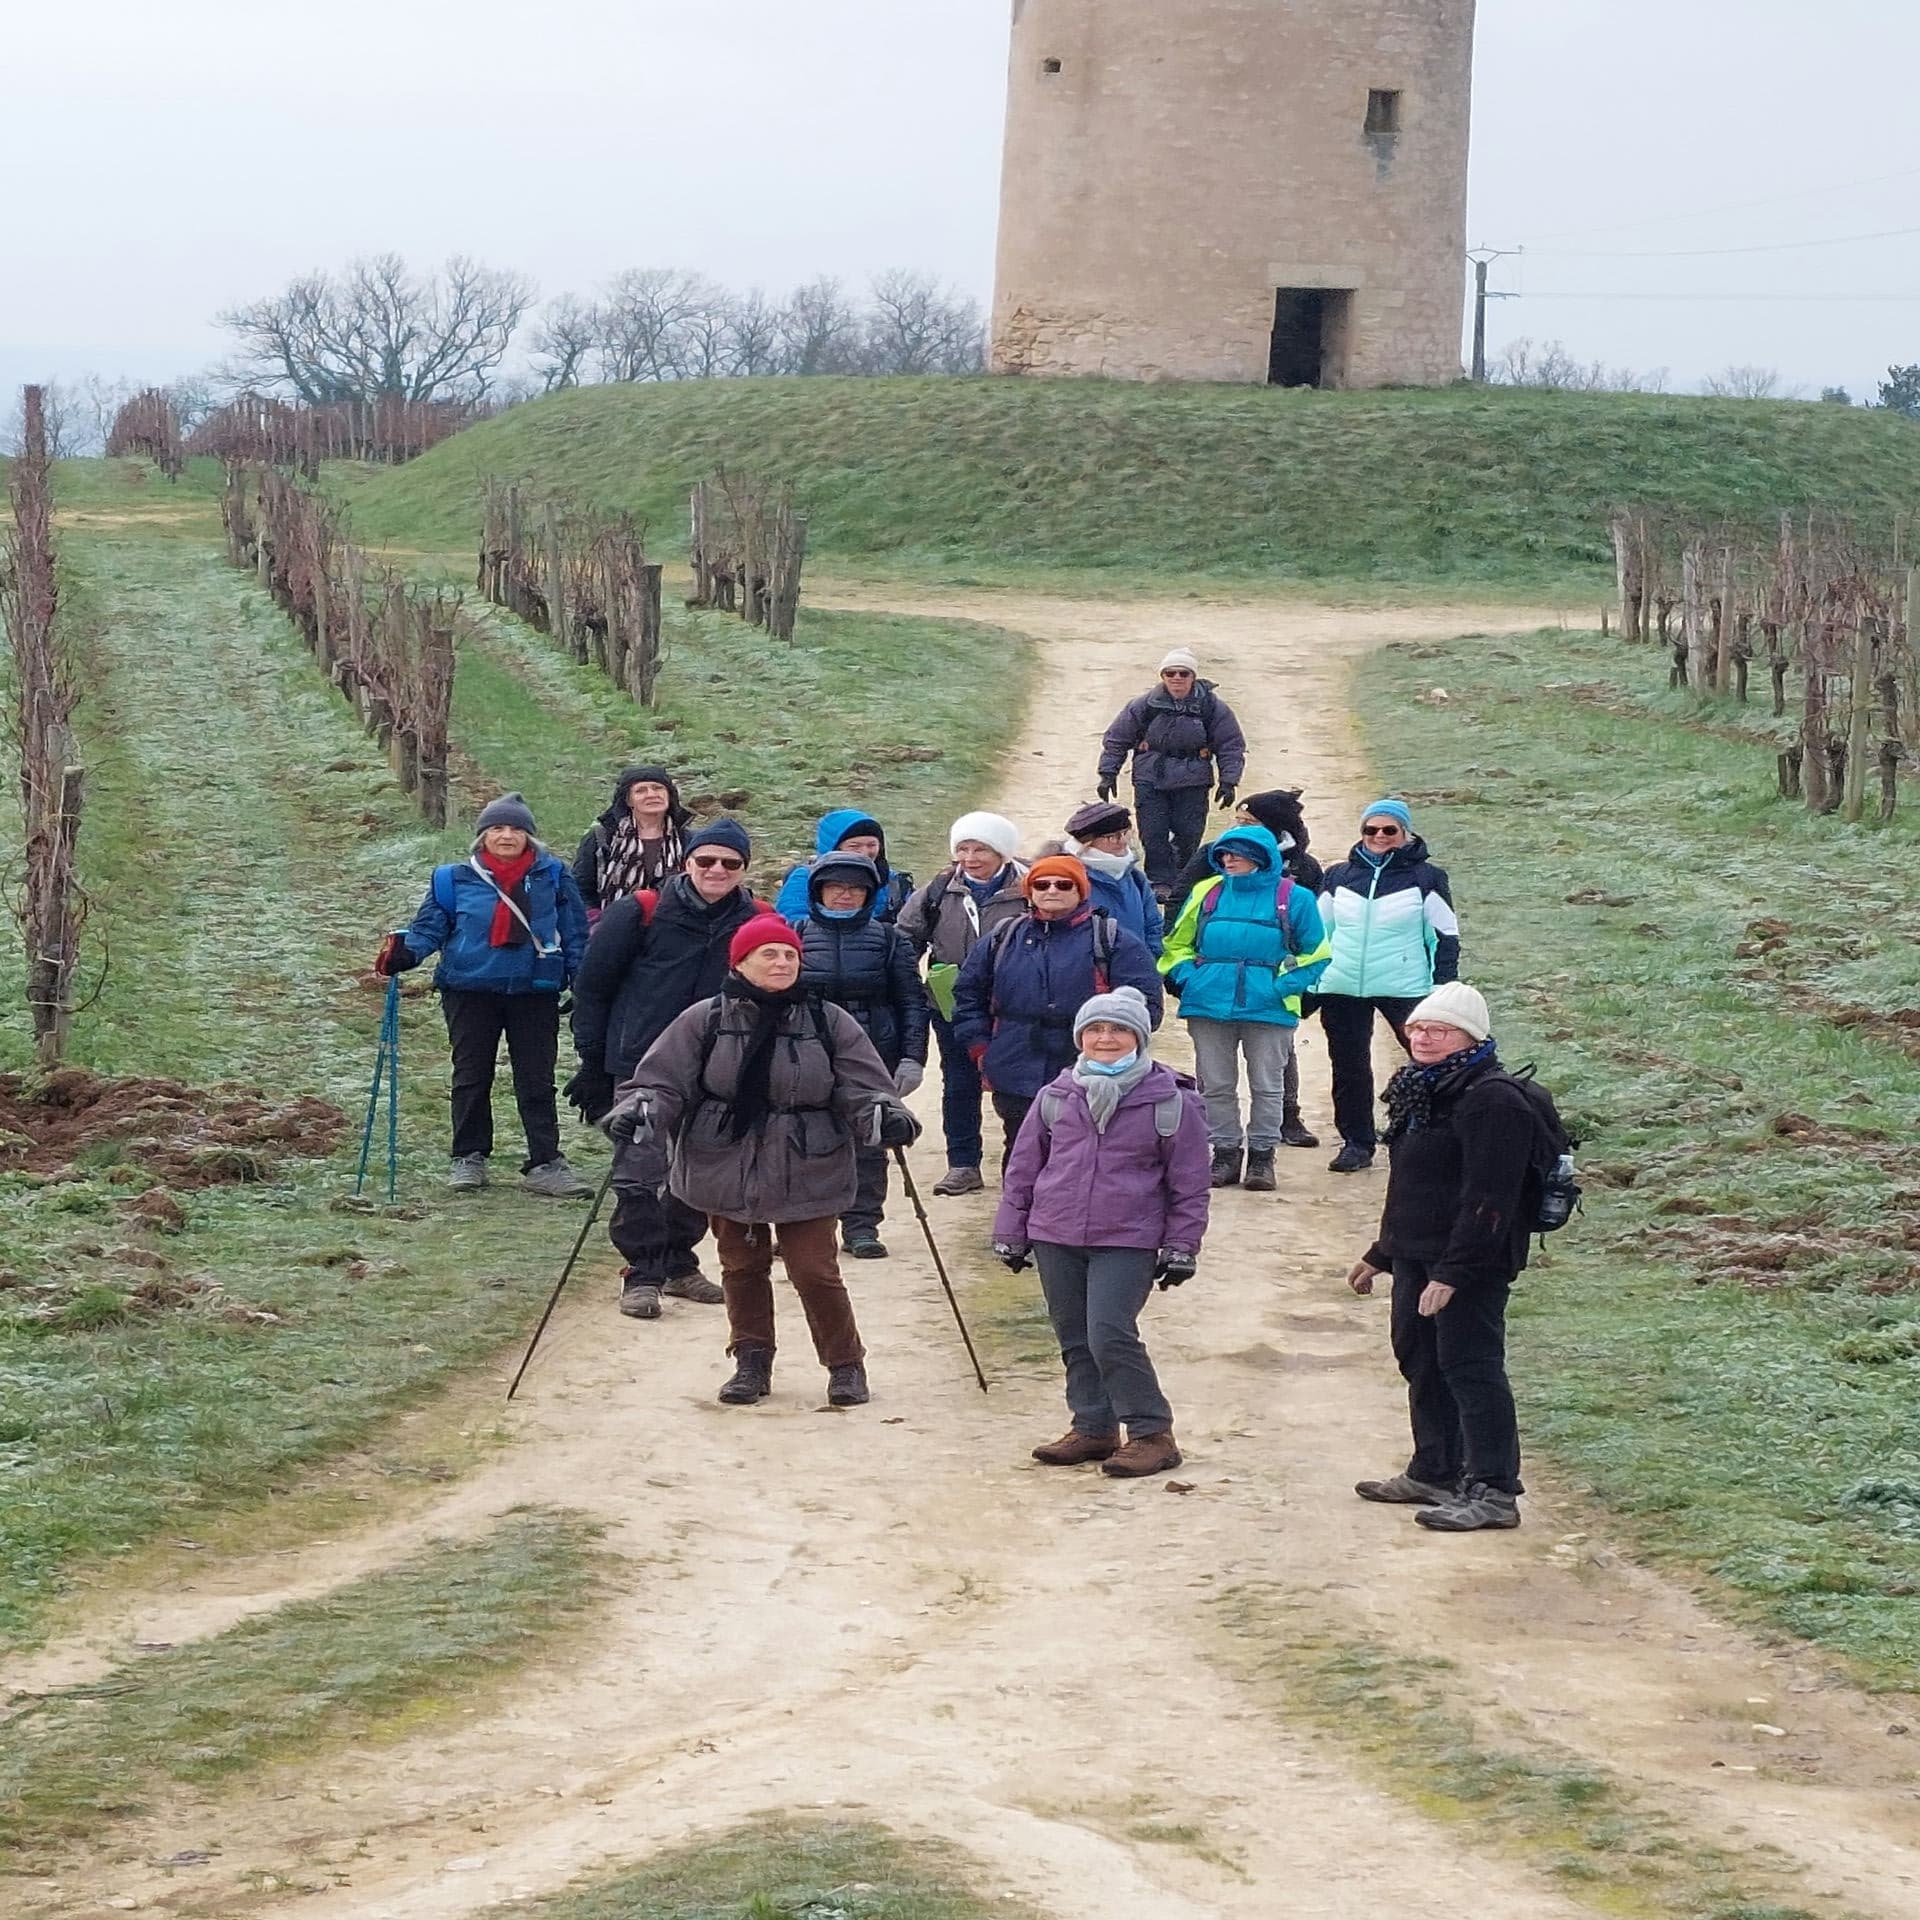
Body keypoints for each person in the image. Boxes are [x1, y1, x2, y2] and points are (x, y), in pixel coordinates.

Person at [609, 915, 919, 1409]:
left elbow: (865, 1087)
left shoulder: (828, 1020)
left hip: (808, 1158)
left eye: (790, 954)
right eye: (769, 954)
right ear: (740, 961)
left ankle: (845, 1364)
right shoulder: (705, 1019)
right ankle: (751, 1361)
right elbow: (662, 1081)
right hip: (726, 1159)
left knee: (814, 1270)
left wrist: (885, 1115)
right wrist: (639, 1109)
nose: (782, 962)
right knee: (742, 1266)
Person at [993, 988, 1210, 1480]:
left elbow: (1190, 1184)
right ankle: (1093, 1425)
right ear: (1080, 1037)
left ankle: (1152, 1431)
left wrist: (1181, 1246)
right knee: (1073, 1335)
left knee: (1109, 1333)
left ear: (1138, 1037)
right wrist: (1011, 1229)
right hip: (1055, 1232)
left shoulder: (1172, 1101)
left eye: (1118, 1030)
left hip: (1127, 1237)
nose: (1106, 1038)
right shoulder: (1056, 1096)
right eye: (1095, 1029)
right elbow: (1024, 1168)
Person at [1346, 983, 1532, 1533]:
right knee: (1420, 1360)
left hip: (1471, 1263)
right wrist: (1383, 1253)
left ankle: (1496, 1491)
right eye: (1418, 1028)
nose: (1423, 1038)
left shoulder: (1493, 1099)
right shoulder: (1421, 1088)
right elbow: (1413, 1185)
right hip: (1416, 1256)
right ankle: (1435, 1470)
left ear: (1471, 1037)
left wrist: (1454, 1274)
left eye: (1439, 1030)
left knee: (1471, 1370)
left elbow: (1491, 1198)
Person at [568, 819, 763, 1319]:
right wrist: (593, 1063)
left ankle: (679, 1263)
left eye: (730, 863)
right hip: (639, 1066)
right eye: (706, 860)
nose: (716, 870)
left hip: (720, 1070)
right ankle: (642, 1273)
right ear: (686, 862)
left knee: (698, 1172)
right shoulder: (641, 911)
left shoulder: (758, 921)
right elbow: (592, 987)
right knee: (638, 1170)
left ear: (744, 868)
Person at [376, 793, 592, 1197]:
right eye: (497, 828)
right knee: (472, 1075)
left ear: (530, 836)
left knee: (536, 1078)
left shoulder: (554, 876)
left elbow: (575, 933)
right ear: (482, 836)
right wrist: (408, 954)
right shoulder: (452, 878)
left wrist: (584, 984)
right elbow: (430, 929)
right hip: (468, 988)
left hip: (534, 988)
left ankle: (545, 1161)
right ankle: (469, 1156)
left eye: (516, 829)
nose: (506, 835)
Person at [952, 854, 1164, 1170]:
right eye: (1042, 884)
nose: (1052, 890)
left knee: (1087, 1150)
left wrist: (1111, 1049)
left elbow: (1145, 1006)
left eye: (1063, 884)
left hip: (1089, 1064)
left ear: (1081, 890)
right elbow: (967, 995)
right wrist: (981, 1047)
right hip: (1014, 1059)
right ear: (1030, 890)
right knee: (1022, 1148)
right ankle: (1020, 1215)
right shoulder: (1002, 937)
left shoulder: (1112, 940)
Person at [1158, 823, 1330, 1193]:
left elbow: (1316, 953)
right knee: (1216, 1084)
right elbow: (1175, 944)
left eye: (1238, 853)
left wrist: (1280, 986)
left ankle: (1262, 1158)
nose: (1228, 859)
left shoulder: (1294, 897)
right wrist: (1191, 978)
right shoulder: (1208, 891)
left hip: (1269, 1007)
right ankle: (1225, 1154)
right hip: (1208, 1004)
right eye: (1224, 853)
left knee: (1268, 1086)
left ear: (1263, 857)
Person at [791, 851, 931, 1260]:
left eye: (855, 889)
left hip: (872, 1054)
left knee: (869, 1138)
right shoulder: (794, 934)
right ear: (820, 891)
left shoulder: (890, 940)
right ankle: (807, 1225)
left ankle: (862, 1225)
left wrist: (912, 1058)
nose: (845, 896)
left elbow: (911, 1002)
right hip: (806, 1052)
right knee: (804, 1138)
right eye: (836, 887)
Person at [1317, 800, 1461, 1175]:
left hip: (1406, 987)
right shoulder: (1338, 876)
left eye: (1389, 830)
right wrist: (1312, 978)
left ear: (1405, 834)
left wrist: (1442, 986)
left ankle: (1430, 1138)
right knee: (1349, 1069)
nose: (1379, 837)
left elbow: (1446, 935)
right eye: (1371, 830)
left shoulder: (1427, 878)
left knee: (1431, 1062)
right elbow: (1318, 933)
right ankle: (1356, 1142)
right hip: (1342, 986)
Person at [896, 812, 1029, 1197]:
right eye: (963, 848)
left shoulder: (1030, 885)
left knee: (1017, 1085)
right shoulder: (939, 889)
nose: (970, 858)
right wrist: (912, 983)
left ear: (1002, 852)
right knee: (959, 1082)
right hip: (951, 1003)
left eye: (981, 849)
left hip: (1013, 1005)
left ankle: (1020, 1165)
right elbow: (906, 938)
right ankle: (963, 1164)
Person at [1096, 649, 1247, 895]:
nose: (1177, 678)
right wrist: (1108, 773)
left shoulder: (1211, 707)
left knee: (1189, 834)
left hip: (1193, 779)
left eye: (1183, 673)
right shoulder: (1143, 705)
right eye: (1170, 673)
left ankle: (1183, 878)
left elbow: (1230, 744)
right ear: (1162, 676)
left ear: (1193, 676)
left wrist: (1229, 780)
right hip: (1150, 777)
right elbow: (1117, 738)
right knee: (1153, 833)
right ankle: (1159, 882)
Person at [1043, 800, 1165, 956]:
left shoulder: (1135, 877)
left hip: (1135, 970)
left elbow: (1153, 925)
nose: (1122, 841)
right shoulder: (1065, 882)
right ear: (1088, 842)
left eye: (1125, 833)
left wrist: (1149, 959)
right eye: (1112, 837)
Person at [573, 765, 693, 919]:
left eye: (658, 788)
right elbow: (580, 887)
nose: (651, 794)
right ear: (628, 800)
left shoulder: (688, 839)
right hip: (611, 925)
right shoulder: (601, 838)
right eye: (640, 790)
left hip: (673, 925)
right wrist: (596, 920)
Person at [774, 810, 914, 925]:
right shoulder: (804, 878)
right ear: (834, 848)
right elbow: (791, 920)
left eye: (871, 845)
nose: (865, 852)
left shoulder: (895, 883)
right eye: (854, 846)